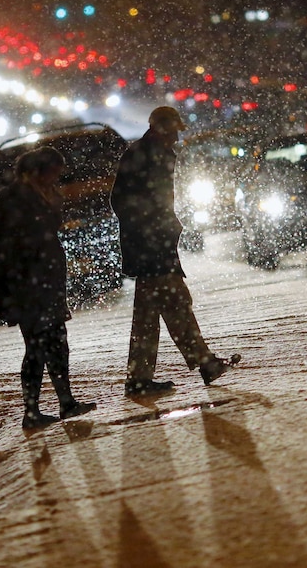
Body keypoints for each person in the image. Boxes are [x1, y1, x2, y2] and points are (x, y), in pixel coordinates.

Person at [110, 106, 238, 396]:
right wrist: (154, 226)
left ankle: (141, 378)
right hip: (151, 248)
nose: (176, 137)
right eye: (173, 131)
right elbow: (125, 201)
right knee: (175, 304)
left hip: (150, 246)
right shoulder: (147, 154)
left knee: (152, 313)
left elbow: (126, 200)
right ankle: (203, 363)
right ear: (160, 128)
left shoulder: (148, 153)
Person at [0, 146, 96, 429]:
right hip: (27, 286)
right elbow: (16, 240)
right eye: (53, 172)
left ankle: (66, 402)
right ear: (37, 171)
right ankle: (31, 412)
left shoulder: (41, 193)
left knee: (57, 344)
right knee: (37, 347)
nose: (56, 178)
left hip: (44, 283)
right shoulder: (14, 197)